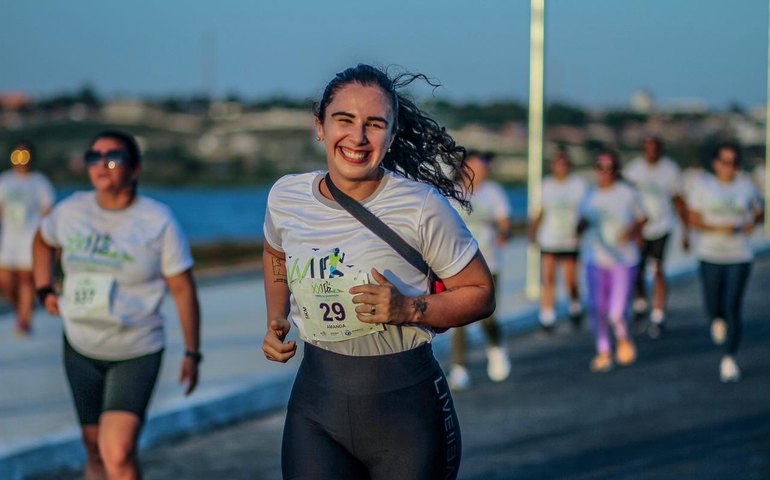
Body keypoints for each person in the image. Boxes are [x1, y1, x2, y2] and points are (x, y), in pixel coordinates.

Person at [261, 64, 495, 480]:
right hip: (316, 411)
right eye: (344, 120)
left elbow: (480, 292)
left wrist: (409, 308)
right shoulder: (286, 196)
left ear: (391, 134)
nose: (357, 137)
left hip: (406, 414)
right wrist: (276, 316)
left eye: (374, 124)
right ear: (320, 126)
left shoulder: (421, 207)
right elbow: (275, 251)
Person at [32, 130, 202, 480]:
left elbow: (183, 289)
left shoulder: (158, 221)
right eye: (94, 158)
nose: (101, 165)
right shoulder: (70, 211)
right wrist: (43, 287)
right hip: (80, 344)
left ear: (135, 168)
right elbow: (42, 240)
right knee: (94, 450)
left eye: (113, 158)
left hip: (135, 348)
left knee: (118, 451)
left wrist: (192, 352)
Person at [687, 142, 762, 382]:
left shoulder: (746, 186)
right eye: (726, 162)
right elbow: (693, 219)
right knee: (713, 305)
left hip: (739, 255)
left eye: (735, 163)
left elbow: (760, 210)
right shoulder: (704, 187)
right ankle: (717, 320)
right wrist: (720, 228)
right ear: (716, 164)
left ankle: (729, 357)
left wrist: (753, 222)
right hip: (710, 253)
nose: (730, 168)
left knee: (733, 305)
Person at [447, 150, 512, 391]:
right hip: (457, 266)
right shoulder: (452, 193)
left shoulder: (494, 192)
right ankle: (459, 369)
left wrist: (504, 233)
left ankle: (496, 347)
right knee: (459, 319)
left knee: (488, 316)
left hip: (489, 263)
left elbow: (505, 222)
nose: (480, 172)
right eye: (475, 167)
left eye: (483, 167)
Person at [579, 150, 646, 373]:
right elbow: (581, 221)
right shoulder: (590, 196)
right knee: (597, 308)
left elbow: (642, 217)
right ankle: (604, 350)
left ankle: (623, 336)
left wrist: (631, 231)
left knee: (616, 311)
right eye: (601, 167)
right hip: (596, 259)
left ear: (616, 170)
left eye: (610, 167)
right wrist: (579, 227)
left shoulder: (627, 193)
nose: (605, 172)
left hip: (624, 260)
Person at [623, 136, 688, 338]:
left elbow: (678, 200)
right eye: (648, 148)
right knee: (637, 271)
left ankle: (658, 315)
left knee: (658, 268)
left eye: (655, 148)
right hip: (640, 228)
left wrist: (686, 231)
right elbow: (624, 200)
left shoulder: (670, 170)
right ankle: (640, 304)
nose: (652, 152)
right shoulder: (633, 170)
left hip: (662, 226)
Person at [529, 148, 587, 334]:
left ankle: (575, 307)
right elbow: (542, 210)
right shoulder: (547, 185)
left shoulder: (577, 185)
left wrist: (581, 229)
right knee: (548, 279)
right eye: (557, 163)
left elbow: (585, 211)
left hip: (570, 238)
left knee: (570, 279)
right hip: (550, 237)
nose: (560, 167)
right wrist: (533, 231)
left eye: (563, 163)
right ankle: (548, 318)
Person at [0, 141, 55, 336]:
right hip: (9, 239)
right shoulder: (5, 181)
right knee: (5, 279)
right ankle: (21, 309)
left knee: (25, 280)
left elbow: (48, 210)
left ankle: (24, 320)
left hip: (30, 238)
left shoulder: (39, 182)